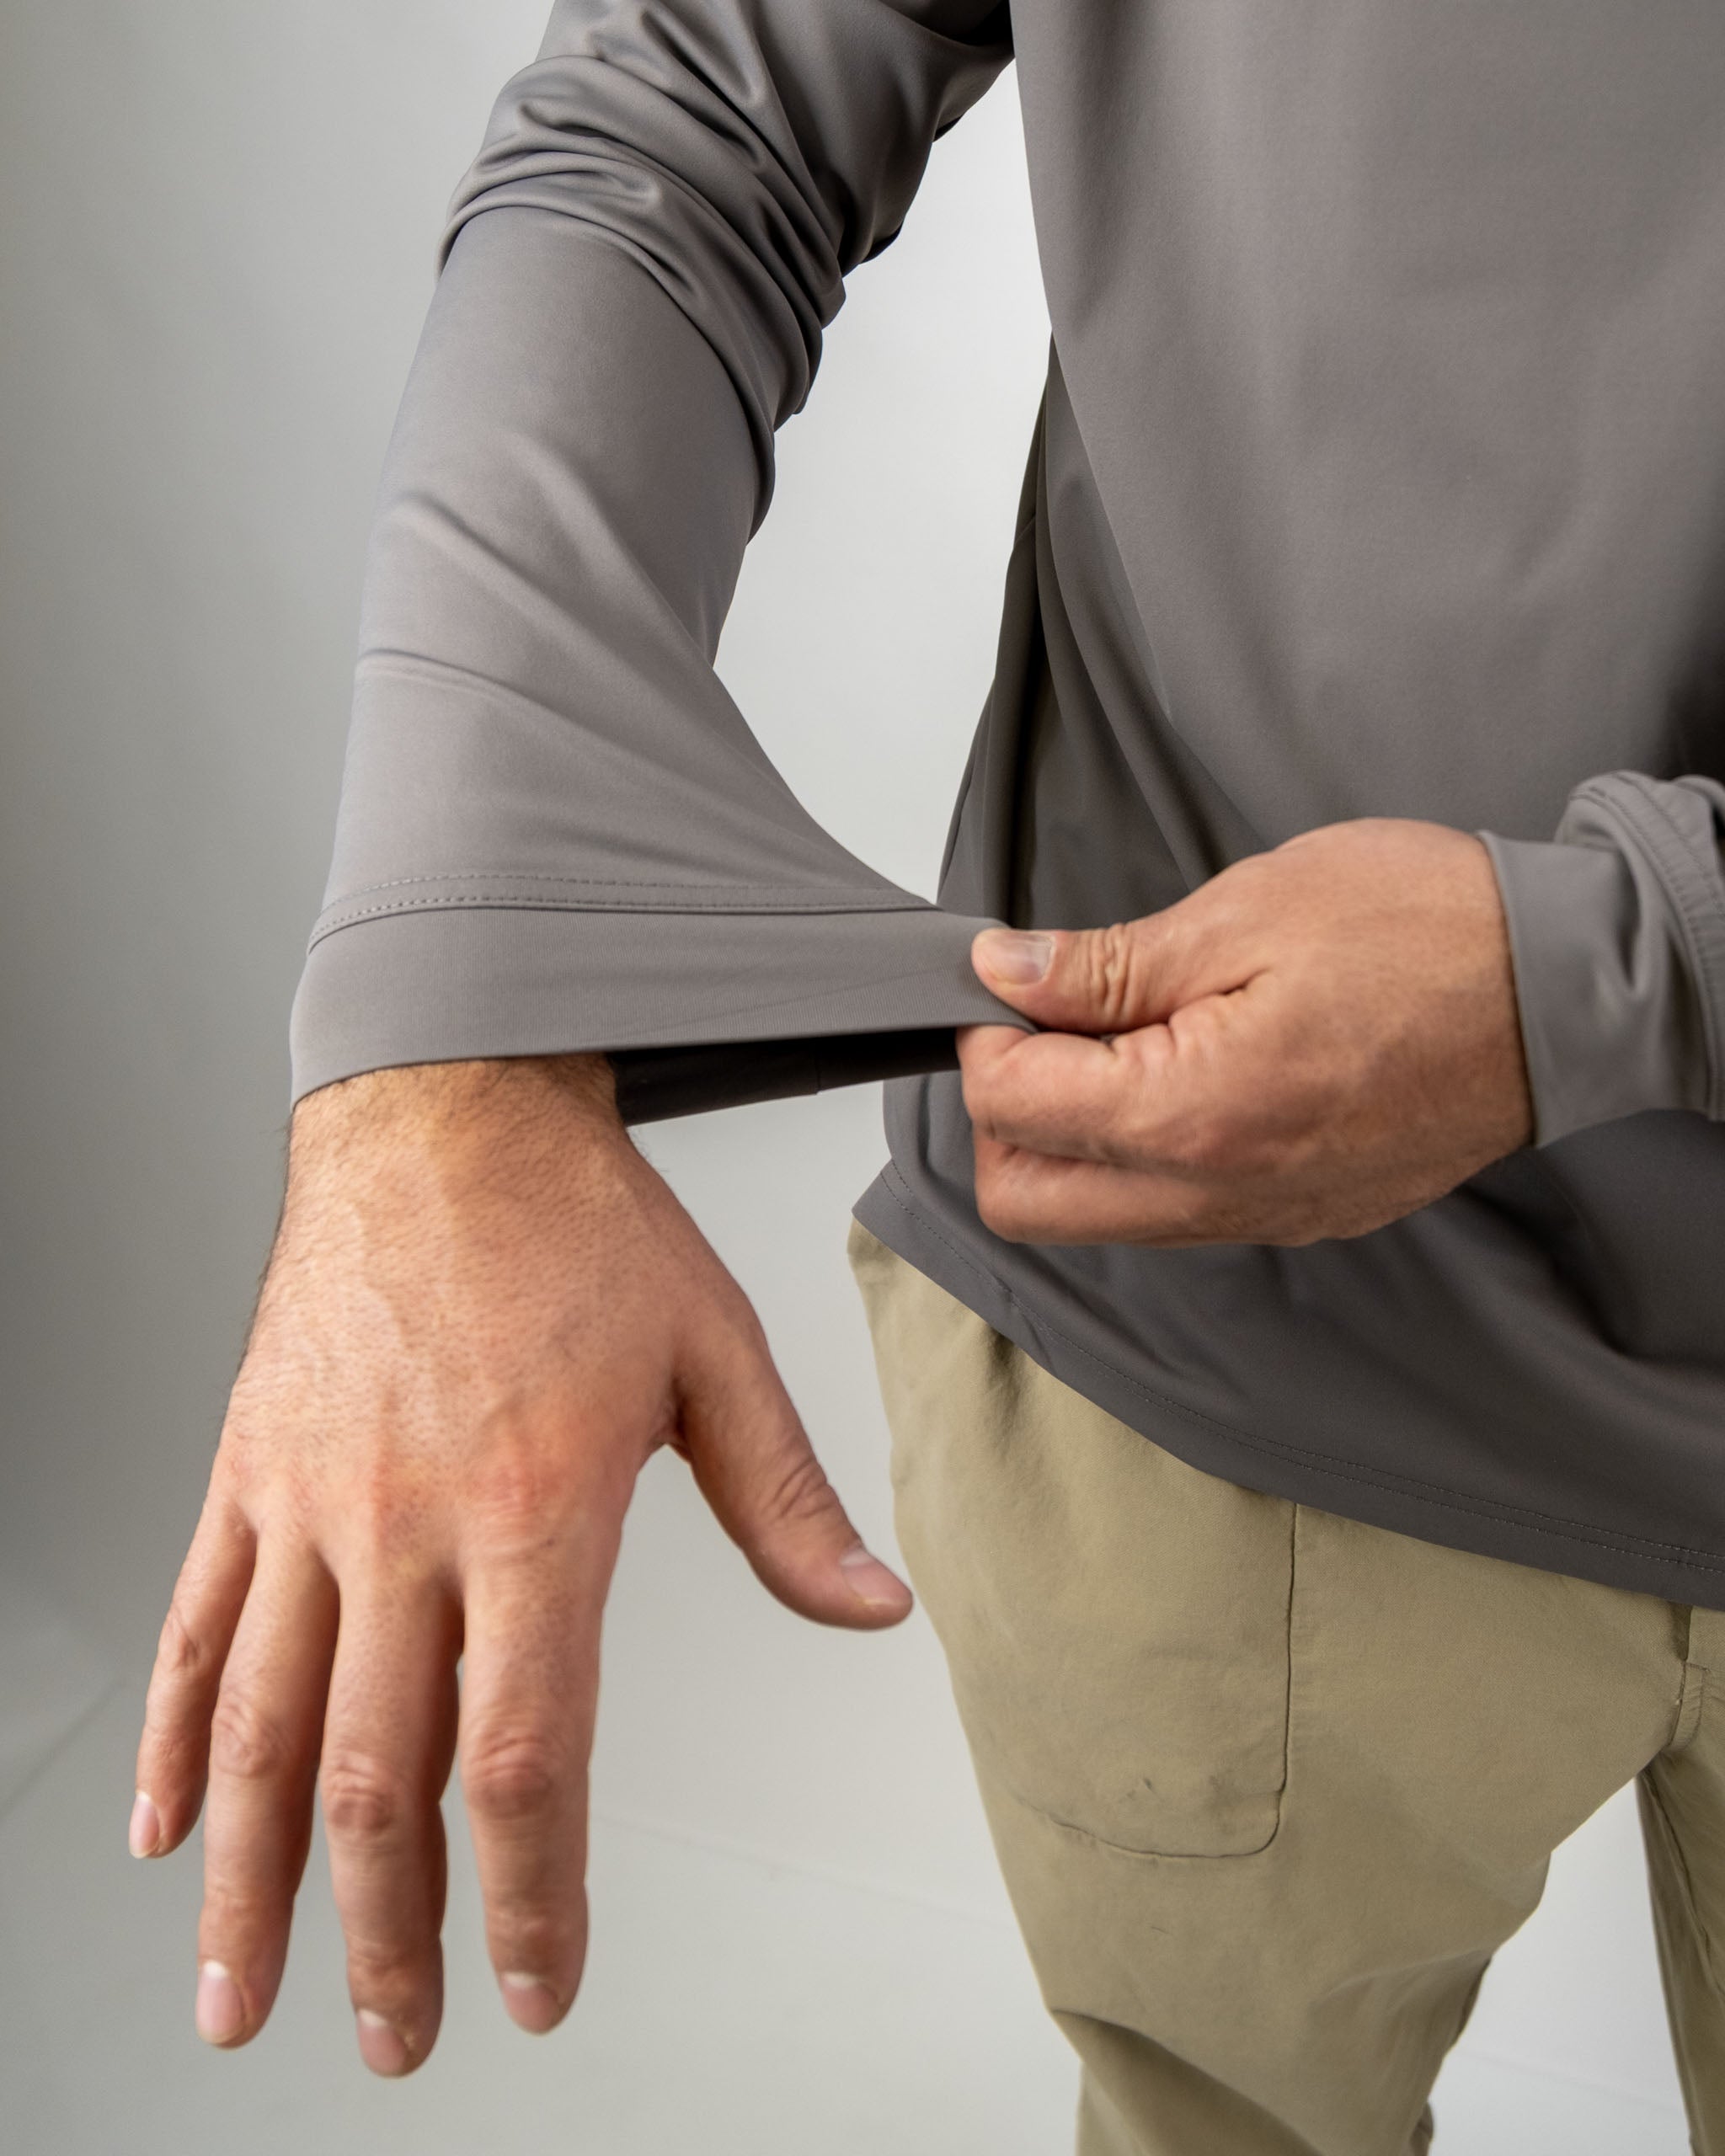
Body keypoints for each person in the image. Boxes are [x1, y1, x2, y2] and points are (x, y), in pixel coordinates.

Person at [128, 3, 1725, 2148]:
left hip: (1191, 1311)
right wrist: (453, 1016)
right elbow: (688, 121)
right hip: (1201, 1350)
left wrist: (1606, 970)